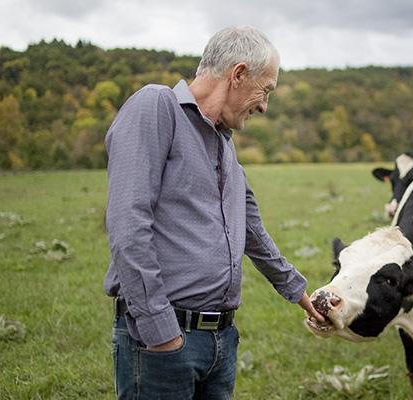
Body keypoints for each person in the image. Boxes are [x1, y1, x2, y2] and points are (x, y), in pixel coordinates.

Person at [104, 25, 325, 400]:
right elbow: (128, 224)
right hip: (165, 340)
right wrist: (163, 334)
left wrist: (301, 294)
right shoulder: (157, 107)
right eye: (265, 90)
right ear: (238, 74)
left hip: (221, 341)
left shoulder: (224, 142)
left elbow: (250, 228)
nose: (264, 106)